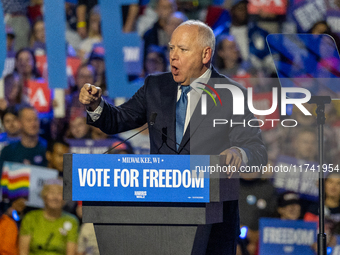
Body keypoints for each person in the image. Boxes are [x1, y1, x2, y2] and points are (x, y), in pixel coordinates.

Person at [79, 20, 267, 254]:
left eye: (183, 49)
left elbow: (256, 149)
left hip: (213, 220)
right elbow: (119, 119)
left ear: (206, 54)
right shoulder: (155, 86)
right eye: (171, 48)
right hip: (162, 215)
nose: (173, 57)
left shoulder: (231, 93)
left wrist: (239, 152)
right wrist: (97, 106)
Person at [19, 179, 78, 255]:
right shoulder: (30, 217)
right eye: (52, 193)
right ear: (44, 197)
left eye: (60, 193)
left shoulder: (72, 221)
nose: (55, 197)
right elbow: (23, 252)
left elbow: (70, 253)